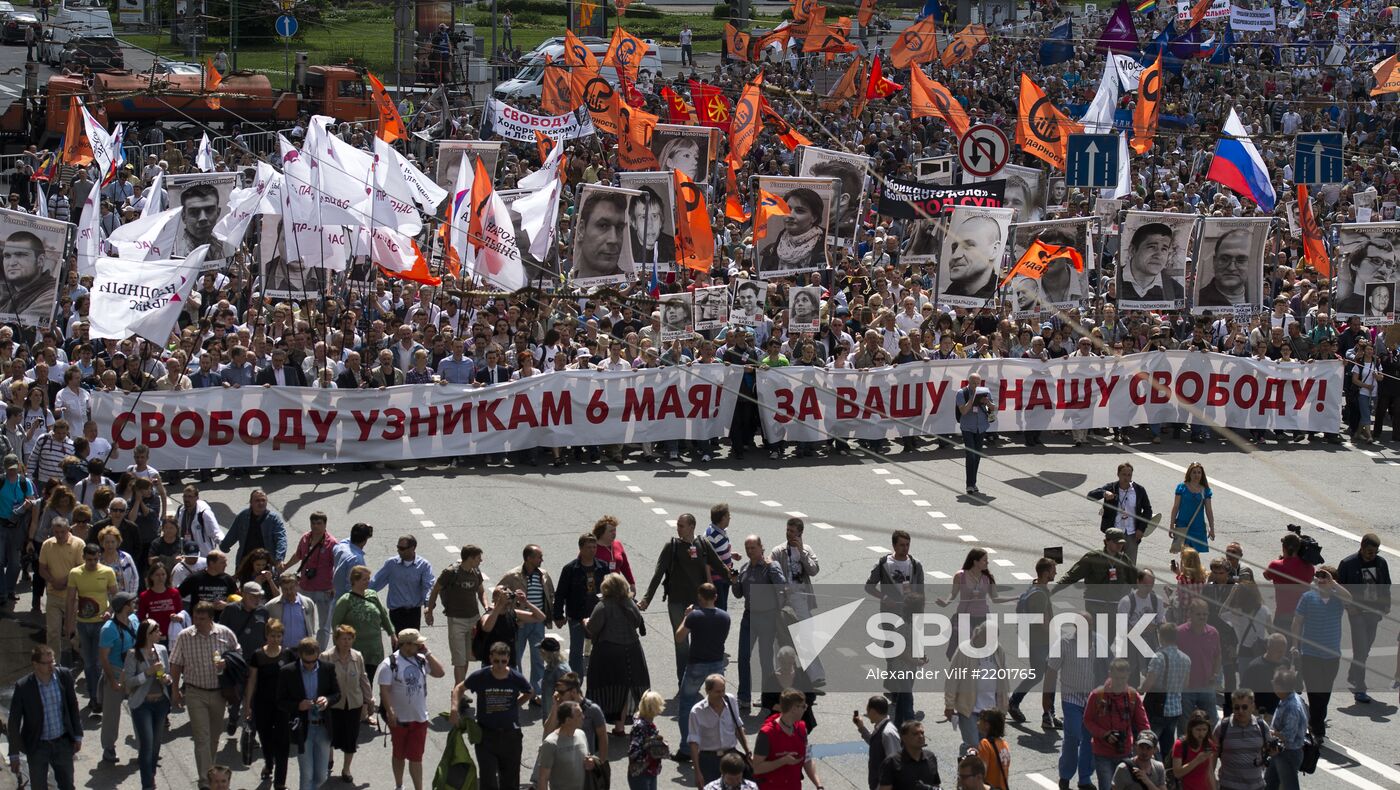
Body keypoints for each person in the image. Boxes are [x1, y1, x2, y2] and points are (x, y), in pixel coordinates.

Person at [639, 513, 730, 681]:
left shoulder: (702, 543)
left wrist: (735, 579)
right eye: (678, 525)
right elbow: (658, 574)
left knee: (700, 641)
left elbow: (719, 565)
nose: (678, 528)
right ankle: (684, 680)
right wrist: (646, 599)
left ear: (692, 527)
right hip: (676, 601)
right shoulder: (671, 546)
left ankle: (697, 676)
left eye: (681, 525)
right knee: (681, 644)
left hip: (699, 601)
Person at [169, 601, 242, 786]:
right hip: (195, 692)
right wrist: (175, 689)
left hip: (219, 693)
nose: (197, 621)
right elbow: (176, 663)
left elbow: (239, 657)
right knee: (201, 737)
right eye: (195, 617)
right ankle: (206, 782)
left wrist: (226, 663)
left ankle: (211, 774)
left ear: (211, 618)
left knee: (214, 736)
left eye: (202, 618)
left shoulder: (225, 633)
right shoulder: (185, 636)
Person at [460, 641, 533, 790]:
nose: (500, 665)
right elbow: (459, 688)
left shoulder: (515, 677)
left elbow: (530, 692)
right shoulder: (481, 676)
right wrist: (455, 709)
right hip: (486, 735)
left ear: (508, 658)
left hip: (510, 736)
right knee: (488, 779)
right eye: (496, 661)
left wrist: (516, 704)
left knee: (510, 779)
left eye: (503, 661)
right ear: (490, 658)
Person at [8, 645, 82, 790]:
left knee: (67, 785)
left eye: (53, 661)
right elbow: (14, 722)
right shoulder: (23, 687)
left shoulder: (64, 676)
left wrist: (78, 735)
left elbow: (73, 706)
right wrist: (14, 754)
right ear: (35, 664)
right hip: (37, 747)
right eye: (46, 663)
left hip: (62, 743)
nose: (51, 666)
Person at [585, 571, 650, 735]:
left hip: (608, 651)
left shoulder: (603, 605)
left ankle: (596, 724)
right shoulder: (630, 603)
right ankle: (620, 726)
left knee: (604, 687)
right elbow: (637, 622)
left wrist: (585, 622)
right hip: (632, 650)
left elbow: (592, 628)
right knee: (625, 688)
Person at [1290, 564, 1350, 740]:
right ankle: (1317, 729)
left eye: (1327, 577)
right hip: (1310, 654)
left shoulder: (1338, 598)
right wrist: (1295, 644)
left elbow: (1351, 598)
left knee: (1325, 693)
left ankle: (1315, 722)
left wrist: (1334, 584)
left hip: (1332, 655)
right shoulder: (1308, 597)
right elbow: (1297, 622)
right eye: (1320, 576)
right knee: (1315, 692)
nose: (1322, 580)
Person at [1335, 533, 1390, 704]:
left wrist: (1385, 606)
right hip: (1356, 612)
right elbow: (1338, 588)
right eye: (1368, 552)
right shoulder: (1348, 564)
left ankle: (1353, 675)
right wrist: (1348, 607)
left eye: (1374, 552)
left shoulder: (1381, 563)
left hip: (1373, 612)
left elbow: (1386, 585)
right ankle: (1360, 688)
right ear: (1362, 547)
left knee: (1365, 649)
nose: (1371, 555)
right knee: (1360, 649)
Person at [280, 636, 341, 790]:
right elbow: (280, 701)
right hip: (303, 728)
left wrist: (327, 700)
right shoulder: (288, 672)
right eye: (306, 662)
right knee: (307, 774)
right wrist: (297, 706)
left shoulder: (327, 668)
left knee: (321, 776)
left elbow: (337, 694)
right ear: (300, 655)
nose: (310, 665)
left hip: (323, 728)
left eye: (314, 661)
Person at [676, 582, 731, 752]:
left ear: (699, 598)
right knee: (717, 704)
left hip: (696, 665)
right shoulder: (725, 617)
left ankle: (686, 748)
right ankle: (716, 743)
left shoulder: (694, 617)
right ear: (716, 597)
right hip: (716, 664)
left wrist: (686, 616)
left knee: (686, 704)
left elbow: (679, 637)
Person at [1083, 657, 1150, 789]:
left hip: (1125, 751)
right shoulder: (1097, 695)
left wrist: (1147, 742)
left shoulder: (1132, 696)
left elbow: (1143, 723)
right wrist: (1104, 734)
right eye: (1117, 678)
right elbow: (1087, 720)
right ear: (1110, 674)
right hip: (1102, 752)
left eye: (1123, 678)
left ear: (1128, 676)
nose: (1120, 682)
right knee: (1106, 786)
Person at [122, 618, 173, 790]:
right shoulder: (133, 653)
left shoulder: (162, 650)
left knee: (157, 743)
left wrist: (166, 679)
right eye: (157, 631)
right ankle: (147, 785)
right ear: (147, 634)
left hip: (160, 702)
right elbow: (129, 681)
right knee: (147, 744)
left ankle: (150, 775)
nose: (160, 634)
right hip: (142, 704)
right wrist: (147, 673)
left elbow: (168, 674)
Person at [425, 544, 487, 684]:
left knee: (467, 657)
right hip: (456, 620)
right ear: (470, 558)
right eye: (478, 558)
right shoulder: (450, 572)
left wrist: (486, 606)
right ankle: (458, 693)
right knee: (459, 660)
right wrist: (430, 611)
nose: (481, 560)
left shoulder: (476, 571)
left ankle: (459, 689)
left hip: (474, 620)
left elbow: (481, 591)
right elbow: (435, 590)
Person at [65, 541, 116, 710]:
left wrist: (109, 611)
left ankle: (101, 696)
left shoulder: (108, 572)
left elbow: (116, 596)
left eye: (95, 559)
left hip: (101, 624)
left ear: (99, 557)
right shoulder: (75, 573)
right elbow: (71, 599)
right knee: (88, 663)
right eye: (89, 559)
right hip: (83, 624)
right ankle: (93, 696)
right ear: (84, 558)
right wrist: (69, 624)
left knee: (99, 662)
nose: (92, 563)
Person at [322, 624, 372, 783]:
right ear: (336, 640)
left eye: (350, 638)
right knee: (329, 736)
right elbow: (321, 682)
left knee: (351, 738)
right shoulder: (326, 657)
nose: (347, 642)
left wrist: (368, 700)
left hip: (353, 704)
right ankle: (328, 760)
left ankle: (346, 769)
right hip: (332, 704)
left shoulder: (357, 656)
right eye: (343, 639)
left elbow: (363, 678)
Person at [95, 591, 139, 762]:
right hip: (115, 672)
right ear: (123, 606)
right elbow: (103, 658)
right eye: (131, 602)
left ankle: (144, 747)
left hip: (133, 672)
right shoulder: (108, 629)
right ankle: (108, 747)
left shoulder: (134, 621)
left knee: (140, 711)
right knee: (111, 715)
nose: (134, 604)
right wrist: (112, 681)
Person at [283, 510, 337, 647]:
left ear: (325, 524)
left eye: (319, 523)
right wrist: (286, 566)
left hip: (324, 589)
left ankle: (320, 652)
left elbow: (337, 566)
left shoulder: (332, 543)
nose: (315, 526)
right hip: (305, 587)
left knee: (324, 626)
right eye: (313, 523)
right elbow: (298, 555)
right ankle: (305, 647)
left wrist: (334, 586)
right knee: (303, 621)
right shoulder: (306, 538)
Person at [751, 688, 823, 790]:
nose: (806, 709)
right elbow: (756, 768)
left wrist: (818, 785)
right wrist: (782, 761)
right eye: (803, 706)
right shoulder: (767, 733)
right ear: (794, 708)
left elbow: (806, 759)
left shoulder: (802, 729)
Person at [687, 674, 751, 787]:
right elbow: (693, 743)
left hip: (731, 756)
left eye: (723, 690)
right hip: (709, 761)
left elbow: (738, 727)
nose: (721, 695)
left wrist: (748, 752)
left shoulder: (730, 700)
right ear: (707, 691)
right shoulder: (697, 712)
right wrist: (697, 772)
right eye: (717, 692)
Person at [1087, 462, 1155, 564]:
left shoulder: (1139, 490)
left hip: (1132, 533)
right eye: (1124, 474)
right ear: (1118, 474)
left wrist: (1141, 529)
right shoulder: (1111, 487)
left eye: (1129, 475)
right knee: (1111, 564)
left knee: (1129, 566)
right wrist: (1104, 493)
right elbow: (1090, 495)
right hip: (1114, 533)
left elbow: (1147, 510)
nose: (1126, 478)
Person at [332, 565, 395, 673]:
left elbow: (383, 616)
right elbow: (335, 624)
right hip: (355, 648)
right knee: (355, 682)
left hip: (373, 648)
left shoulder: (372, 595)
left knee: (368, 681)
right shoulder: (346, 600)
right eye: (364, 579)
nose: (368, 582)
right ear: (355, 581)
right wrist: (340, 646)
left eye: (368, 579)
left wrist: (392, 633)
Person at [370, 534, 435, 633]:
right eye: (398, 547)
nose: (399, 551)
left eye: (402, 548)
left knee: (413, 644)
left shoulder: (424, 565)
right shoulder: (391, 564)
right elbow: (375, 582)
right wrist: (360, 595)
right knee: (397, 645)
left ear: (412, 548)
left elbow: (428, 587)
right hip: (396, 613)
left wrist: (427, 606)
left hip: (414, 613)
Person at [759, 188, 826, 273]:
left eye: (800, 211)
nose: (790, 215)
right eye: (787, 209)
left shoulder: (826, 249)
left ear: (814, 217)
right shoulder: (770, 250)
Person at [1213, 690, 1269, 790]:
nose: (1240, 711)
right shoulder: (1223, 726)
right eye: (1236, 707)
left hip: (1256, 786)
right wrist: (1211, 780)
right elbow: (1212, 755)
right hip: (1228, 786)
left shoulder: (1261, 726)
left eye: (1244, 707)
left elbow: (1268, 752)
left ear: (1253, 706)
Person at [219, 489, 288, 567]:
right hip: (245, 561)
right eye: (257, 500)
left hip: (266, 563)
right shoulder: (243, 516)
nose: (261, 503)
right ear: (251, 502)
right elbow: (233, 533)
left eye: (263, 500)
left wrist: (279, 559)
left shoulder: (274, 519)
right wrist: (224, 546)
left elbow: (281, 539)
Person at [538, 700, 597, 790]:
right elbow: (543, 778)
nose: (583, 717)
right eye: (579, 715)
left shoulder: (581, 734)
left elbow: (586, 759)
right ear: (568, 720)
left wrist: (591, 762)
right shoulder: (550, 743)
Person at [942, 213, 1004, 299]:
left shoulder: (1002, 296)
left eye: (968, 246)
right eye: (954, 248)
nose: (955, 256)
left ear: (994, 250)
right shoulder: (943, 298)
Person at [573, 190, 631, 279]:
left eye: (619, 228)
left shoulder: (634, 288)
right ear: (581, 229)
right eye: (603, 225)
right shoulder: (562, 289)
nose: (613, 239)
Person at [1, 230, 58, 319]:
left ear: (40, 260)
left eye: (20, 255)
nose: (12, 263)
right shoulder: (9, 291)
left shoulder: (50, 294)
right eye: (7, 256)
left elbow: (23, 322)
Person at [1121, 222, 1183, 302]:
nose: (1158, 255)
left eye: (1164, 249)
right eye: (1152, 247)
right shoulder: (1116, 283)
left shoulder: (1176, 289)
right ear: (1132, 250)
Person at [1266, 668, 1307, 790]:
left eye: (1275, 682)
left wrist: (1270, 733)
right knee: (1269, 783)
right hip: (1280, 751)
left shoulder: (1291, 707)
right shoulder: (1288, 698)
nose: (1272, 683)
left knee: (1289, 786)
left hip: (1288, 754)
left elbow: (1288, 736)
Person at [954, 374, 995, 495]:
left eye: (978, 383)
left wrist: (987, 402)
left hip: (981, 427)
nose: (976, 386)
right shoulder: (962, 393)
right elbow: (963, 411)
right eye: (973, 383)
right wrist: (973, 398)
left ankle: (974, 482)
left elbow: (993, 408)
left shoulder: (986, 392)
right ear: (968, 382)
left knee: (977, 456)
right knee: (970, 455)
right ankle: (969, 485)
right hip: (967, 427)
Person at [1197, 228, 1255, 307]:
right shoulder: (1198, 301)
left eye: (1241, 260)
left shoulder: (1257, 297)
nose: (1232, 268)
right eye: (1224, 259)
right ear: (1214, 261)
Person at [854, 695, 902, 790]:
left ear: (873, 711)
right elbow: (873, 741)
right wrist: (861, 727)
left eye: (868, 711)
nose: (867, 714)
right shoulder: (880, 727)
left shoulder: (888, 733)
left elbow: (895, 764)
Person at [877, 720, 941, 790]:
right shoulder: (891, 762)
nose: (921, 736)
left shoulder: (930, 757)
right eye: (915, 734)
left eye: (922, 733)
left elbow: (936, 784)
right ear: (904, 738)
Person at [1171, 462, 1216, 554]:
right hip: (1183, 526)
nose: (1197, 475)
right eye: (1194, 472)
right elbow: (1175, 507)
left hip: (1198, 527)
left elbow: (1209, 510)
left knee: (1194, 557)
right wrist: (1172, 525)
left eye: (1199, 472)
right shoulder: (1181, 488)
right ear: (1189, 474)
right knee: (1184, 556)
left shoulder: (1205, 491)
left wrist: (1212, 528)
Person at [172, 183, 225, 258]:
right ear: (184, 216)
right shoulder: (176, 252)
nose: (203, 218)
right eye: (194, 212)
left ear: (218, 212)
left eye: (209, 210)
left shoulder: (221, 245)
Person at [628, 690, 667, 790]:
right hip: (641, 773)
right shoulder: (640, 727)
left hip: (650, 770)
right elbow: (634, 751)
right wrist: (652, 750)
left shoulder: (646, 723)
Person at [629, 188, 676, 265]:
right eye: (643, 217)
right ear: (634, 223)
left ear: (661, 221)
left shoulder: (672, 247)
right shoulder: (625, 249)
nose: (650, 225)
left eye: (654, 216)